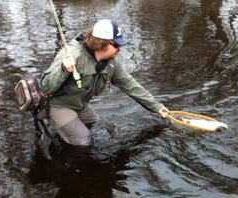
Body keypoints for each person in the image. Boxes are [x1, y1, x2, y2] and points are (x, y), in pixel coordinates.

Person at [40, 19, 169, 147]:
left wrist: (156, 107)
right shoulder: (73, 54)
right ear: (101, 43)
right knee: (84, 141)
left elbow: (130, 85)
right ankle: (53, 131)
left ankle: (65, 132)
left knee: (93, 123)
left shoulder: (111, 63)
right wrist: (63, 69)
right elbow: (45, 87)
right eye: (116, 45)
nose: (120, 49)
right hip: (58, 105)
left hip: (80, 103)